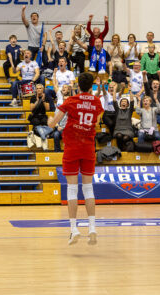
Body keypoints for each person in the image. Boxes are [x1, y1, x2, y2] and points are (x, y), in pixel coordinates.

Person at [47, 72, 103, 245]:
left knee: (72, 189)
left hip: (72, 147)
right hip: (88, 147)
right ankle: (92, 228)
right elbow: (96, 122)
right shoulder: (96, 102)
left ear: (78, 85)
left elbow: (53, 124)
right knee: (88, 188)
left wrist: (50, 120)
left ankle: (74, 229)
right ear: (91, 86)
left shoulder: (71, 101)